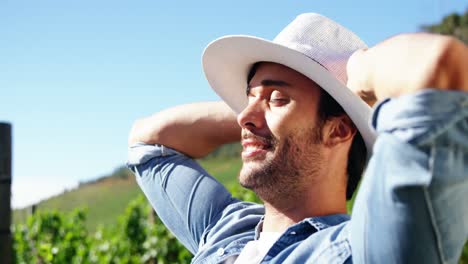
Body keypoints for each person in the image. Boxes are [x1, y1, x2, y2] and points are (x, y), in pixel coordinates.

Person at [127, 13, 468, 263]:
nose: (242, 117)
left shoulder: (362, 250)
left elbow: (440, 66)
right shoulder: (226, 230)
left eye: (278, 98)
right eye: (248, 99)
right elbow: (149, 141)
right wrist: (263, 117)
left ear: (339, 130)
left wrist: (355, 74)